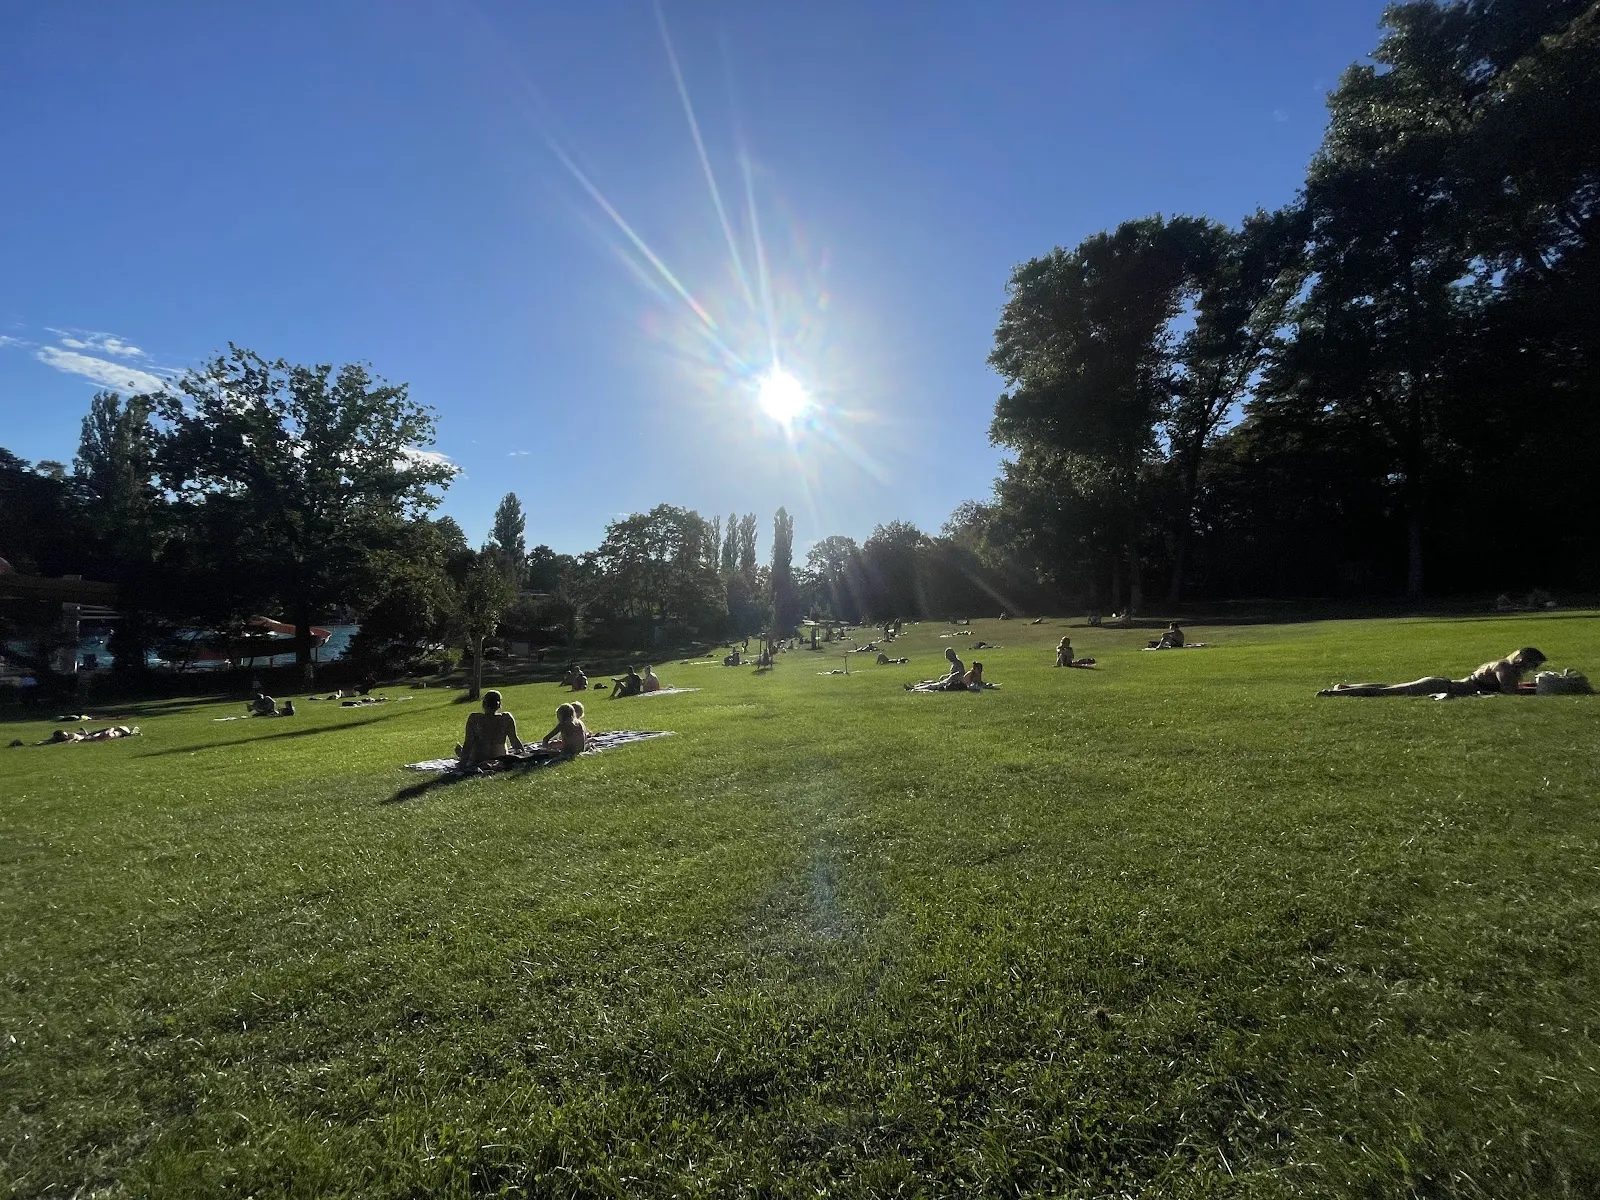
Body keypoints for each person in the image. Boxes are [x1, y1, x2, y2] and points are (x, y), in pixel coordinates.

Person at [1318, 647, 1547, 698]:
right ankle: (1334, 693)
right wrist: (1540, 690)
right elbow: (1509, 692)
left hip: (1442, 684)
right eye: (1532, 664)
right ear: (1522, 660)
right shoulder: (1505, 668)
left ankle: (1346, 688)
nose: (1532, 669)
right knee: (1386, 692)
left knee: (1388, 687)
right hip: (1441, 687)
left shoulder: (1503, 666)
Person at [456, 690, 524, 764]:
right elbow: (514, 740)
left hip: (478, 759)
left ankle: (460, 753)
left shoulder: (474, 718)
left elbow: (468, 743)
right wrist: (524, 755)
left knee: (462, 750)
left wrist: (462, 762)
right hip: (500, 757)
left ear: (484, 704)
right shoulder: (506, 718)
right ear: (499, 705)